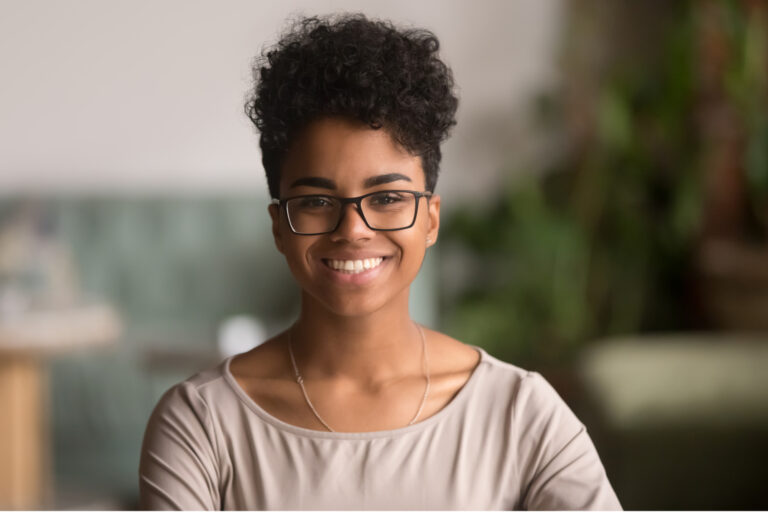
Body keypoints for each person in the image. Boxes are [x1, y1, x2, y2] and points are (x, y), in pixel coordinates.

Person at [138, 13, 622, 510]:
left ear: (430, 219)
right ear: (279, 226)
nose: (353, 230)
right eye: (317, 201)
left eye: (387, 197)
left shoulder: (519, 413)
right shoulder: (200, 424)